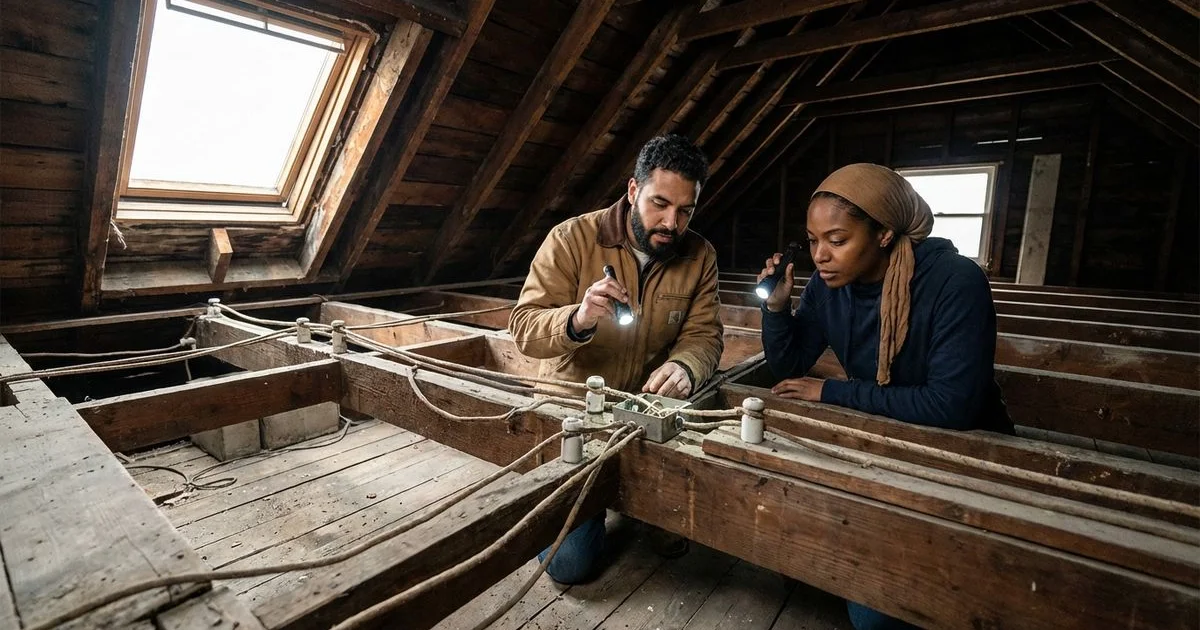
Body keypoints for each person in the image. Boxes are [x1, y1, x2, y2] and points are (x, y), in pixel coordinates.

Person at [756, 163, 1012, 630]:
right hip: (881, 441)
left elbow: (951, 406)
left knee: (873, 615)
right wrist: (776, 308)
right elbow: (789, 365)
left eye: (837, 240)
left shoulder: (954, 282)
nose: (821, 256)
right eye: (813, 241)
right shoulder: (826, 286)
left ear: (884, 236)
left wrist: (832, 391)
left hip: (965, 457)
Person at [508, 133, 724, 584]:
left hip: (650, 419)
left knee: (679, 529)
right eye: (659, 204)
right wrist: (578, 319)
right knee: (569, 567)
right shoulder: (571, 238)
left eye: (686, 211)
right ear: (632, 191)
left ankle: (641, 504)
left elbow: (705, 335)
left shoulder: (700, 255)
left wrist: (685, 366)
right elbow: (525, 329)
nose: (672, 222)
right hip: (572, 415)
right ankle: (594, 503)